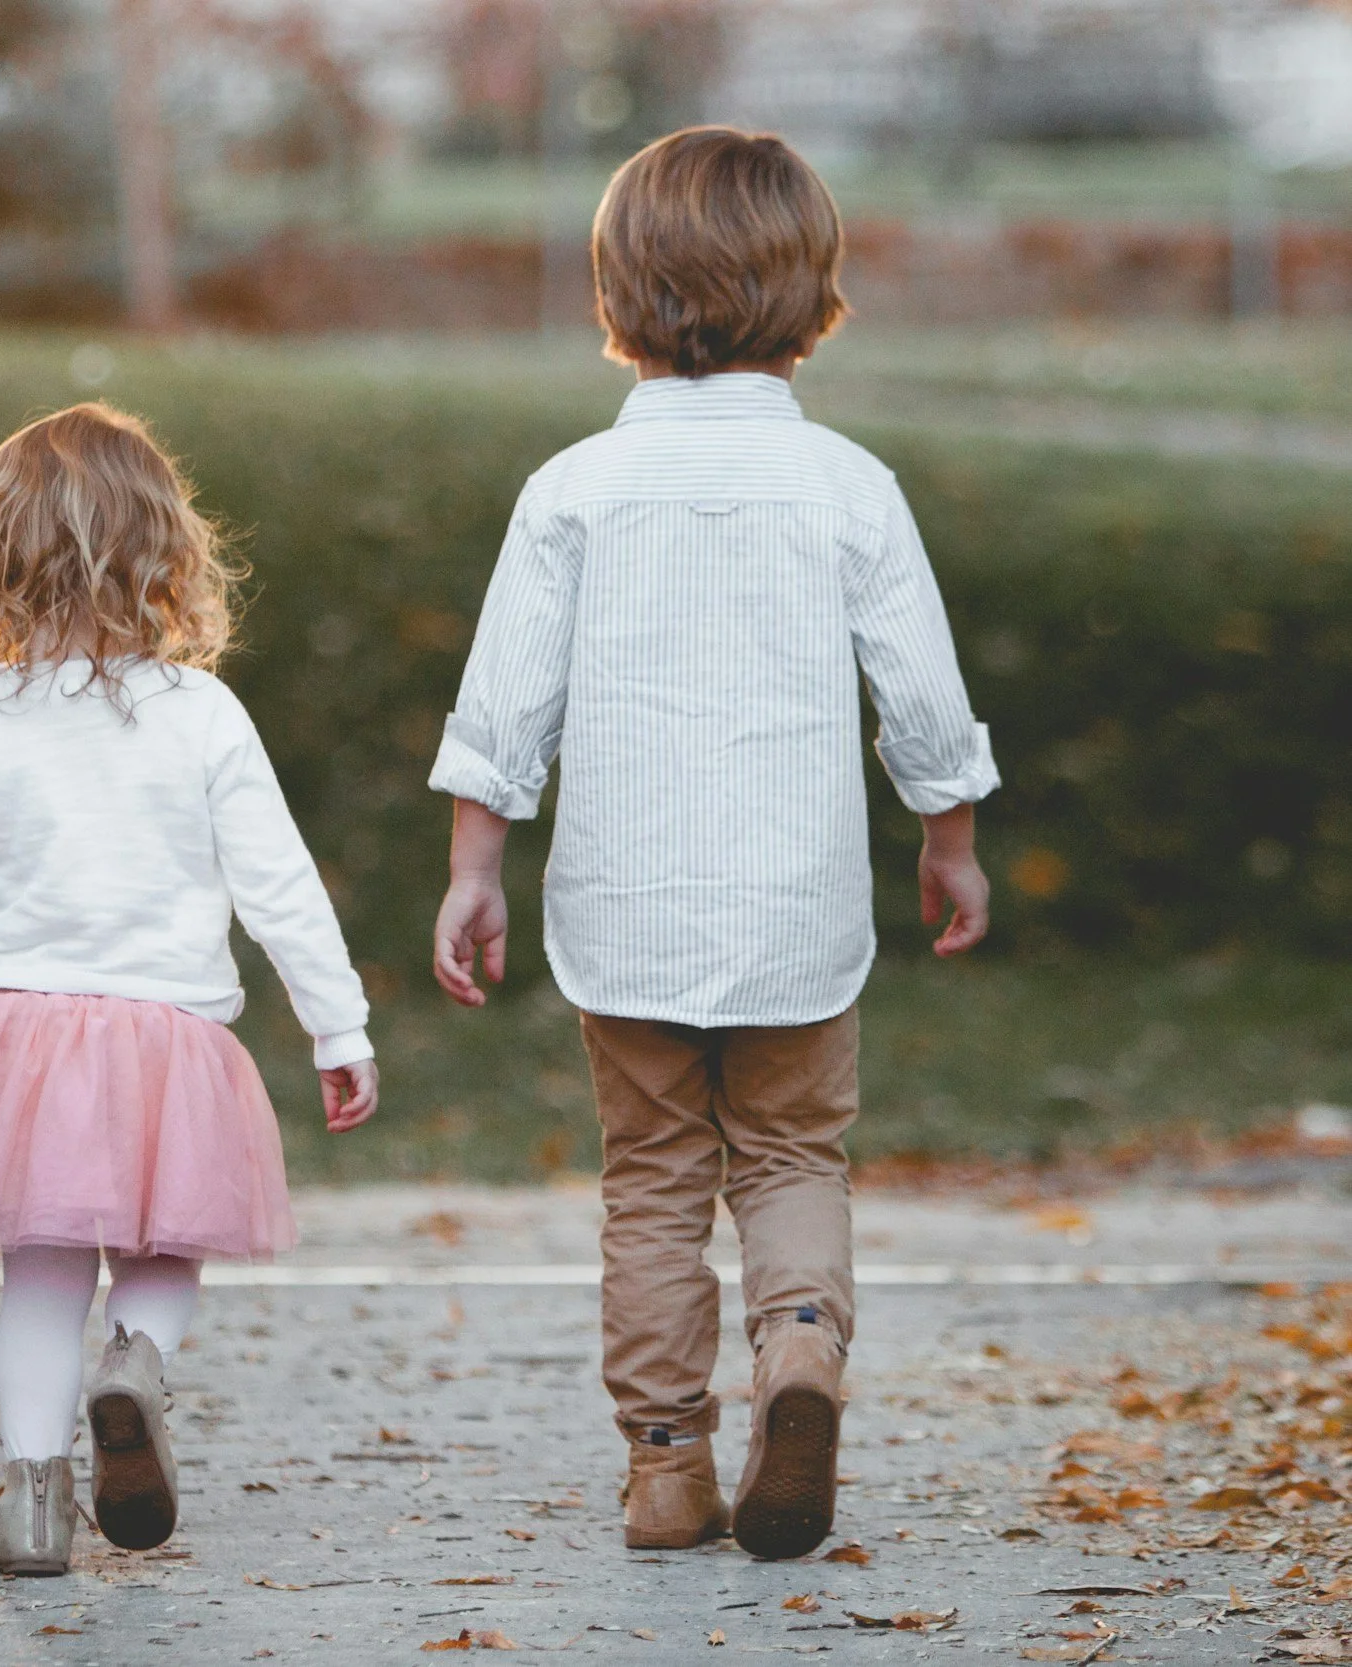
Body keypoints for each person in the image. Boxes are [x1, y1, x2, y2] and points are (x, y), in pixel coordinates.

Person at [428, 127, 997, 1560]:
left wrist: (475, 866)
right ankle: (799, 1346)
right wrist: (952, 838)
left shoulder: (572, 490)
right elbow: (922, 693)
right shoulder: (847, 487)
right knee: (796, 1154)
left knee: (656, 1182)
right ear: (812, 292)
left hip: (630, 910)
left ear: (620, 291)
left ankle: (667, 1466)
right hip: (798, 913)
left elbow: (505, 701)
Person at [0, 402, 378, 1577]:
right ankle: (138, 1364)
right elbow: (280, 887)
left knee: (39, 1269)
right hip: (170, 1037)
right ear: (165, 552)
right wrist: (337, 1022)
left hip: (17, 1046)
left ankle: (32, 1505)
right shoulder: (202, 712)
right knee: (167, 1243)